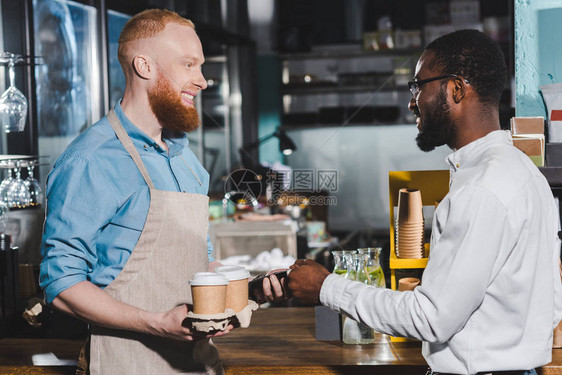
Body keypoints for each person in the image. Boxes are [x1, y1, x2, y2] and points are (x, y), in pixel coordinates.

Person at [288, 29, 562, 375]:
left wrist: (326, 287)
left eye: (418, 86)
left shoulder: (480, 188)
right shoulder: (525, 172)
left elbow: (431, 318)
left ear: (455, 89)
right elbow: (550, 305)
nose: (411, 101)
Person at [38, 9, 287, 374]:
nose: (202, 81)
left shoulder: (187, 162)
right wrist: (155, 322)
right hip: (125, 363)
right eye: (189, 65)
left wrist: (247, 286)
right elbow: (61, 283)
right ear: (145, 66)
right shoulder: (91, 160)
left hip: (199, 364)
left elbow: (193, 265)